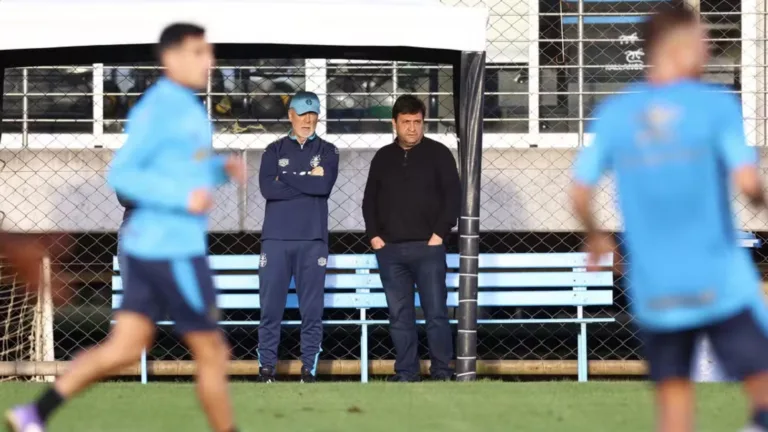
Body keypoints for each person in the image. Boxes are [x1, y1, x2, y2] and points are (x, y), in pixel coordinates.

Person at [5, 23, 246, 432]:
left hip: (162, 245)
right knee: (211, 350)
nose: (210, 61)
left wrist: (217, 169)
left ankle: (35, 414)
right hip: (167, 249)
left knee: (124, 349)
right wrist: (180, 198)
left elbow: (181, 170)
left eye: (210, 52)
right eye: (199, 53)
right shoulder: (158, 110)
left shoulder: (188, 110)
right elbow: (124, 176)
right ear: (171, 58)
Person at [571, 5, 768, 432]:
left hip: (655, 285)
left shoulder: (615, 113)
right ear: (678, 45)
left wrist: (596, 235)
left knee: (674, 401)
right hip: (718, 279)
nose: (710, 46)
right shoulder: (715, 106)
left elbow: (580, 191)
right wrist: (757, 193)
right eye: (703, 38)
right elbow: (749, 183)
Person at [362, 94, 460, 382]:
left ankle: (442, 372)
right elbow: (370, 200)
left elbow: (453, 198)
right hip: (390, 250)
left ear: (423, 122)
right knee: (400, 316)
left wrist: (439, 234)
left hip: (429, 248)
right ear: (395, 123)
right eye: (406, 122)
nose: (412, 128)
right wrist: (374, 237)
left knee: (436, 314)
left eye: (417, 122)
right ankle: (406, 372)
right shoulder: (383, 157)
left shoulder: (439, 154)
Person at [257, 91, 339, 383]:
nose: (307, 120)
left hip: (312, 240)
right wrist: (307, 177)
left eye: (312, 114)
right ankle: (266, 369)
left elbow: (324, 186)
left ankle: (309, 370)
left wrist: (288, 178)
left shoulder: (329, 150)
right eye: (302, 114)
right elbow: (268, 189)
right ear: (290, 115)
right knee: (270, 310)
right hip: (276, 240)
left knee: (312, 311)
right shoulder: (273, 149)